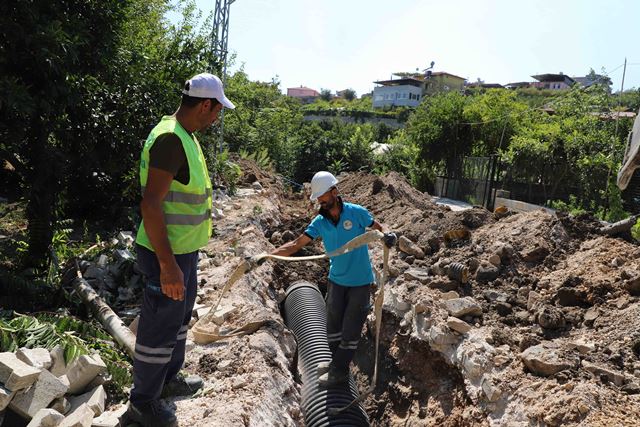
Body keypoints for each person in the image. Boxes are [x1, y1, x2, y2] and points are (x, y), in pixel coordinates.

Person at [127, 73, 235, 427]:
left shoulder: (186, 136)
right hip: (166, 254)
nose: (217, 117)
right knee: (158, 329)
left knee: (177, 321)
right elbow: (151, 205)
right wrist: (168, 266)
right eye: (218, 110)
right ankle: (142, 403)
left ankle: (169, 379)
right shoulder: (171, 139)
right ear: (206, 105)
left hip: (182, 252)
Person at [270, 171, 396, 387]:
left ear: (335, 192)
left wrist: (388, 234)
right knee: (332, 328)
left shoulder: (356, 213)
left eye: (324, 198)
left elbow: (379, 226)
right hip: (336, 280)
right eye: (319, 199)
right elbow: (296, 244)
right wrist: (268, 255)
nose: (321, 202)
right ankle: (336, 363)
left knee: (351, 328)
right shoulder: (320, 221)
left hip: (359, 283)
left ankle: (340, 370)